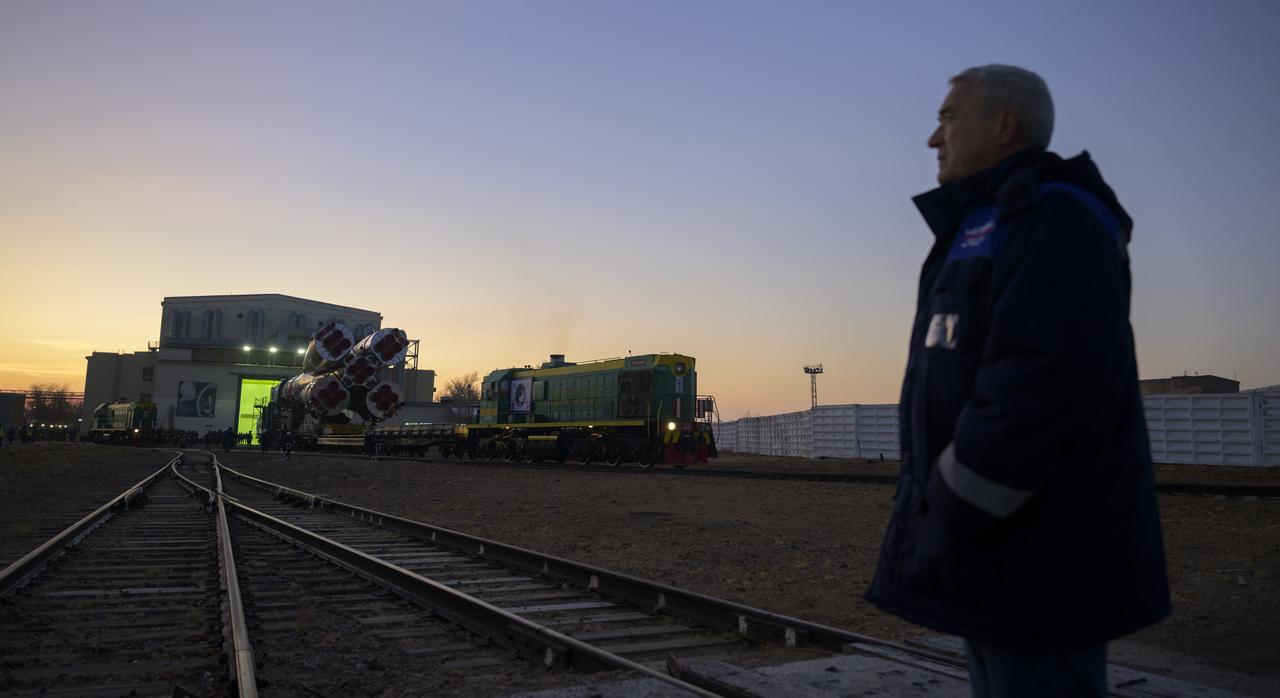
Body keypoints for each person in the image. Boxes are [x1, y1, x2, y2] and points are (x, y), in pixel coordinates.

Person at [866, 65, 1169, 698]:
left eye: (948, 117)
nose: (932, 137)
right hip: (994, 553)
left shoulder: (1053, 216)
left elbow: (1040, 384)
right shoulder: (990, 223)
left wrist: (952, 501)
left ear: (1005, 126)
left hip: (1039, 561)